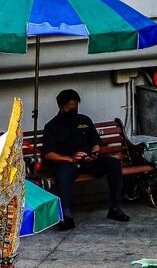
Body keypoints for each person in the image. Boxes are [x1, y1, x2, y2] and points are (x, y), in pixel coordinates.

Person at [42, 89, 130, 230]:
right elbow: (49, 154)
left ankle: (115, 207)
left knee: (113, 164)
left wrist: (94, 154)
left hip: (89, 161)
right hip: (68, 163)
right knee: (62, 175)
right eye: (69, 107)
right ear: (60, 106)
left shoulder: (84, 120)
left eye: (75, 106)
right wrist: (70, 159)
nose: (73, 109)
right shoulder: (52, 127)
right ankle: (66, 216)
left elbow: (95, 142)